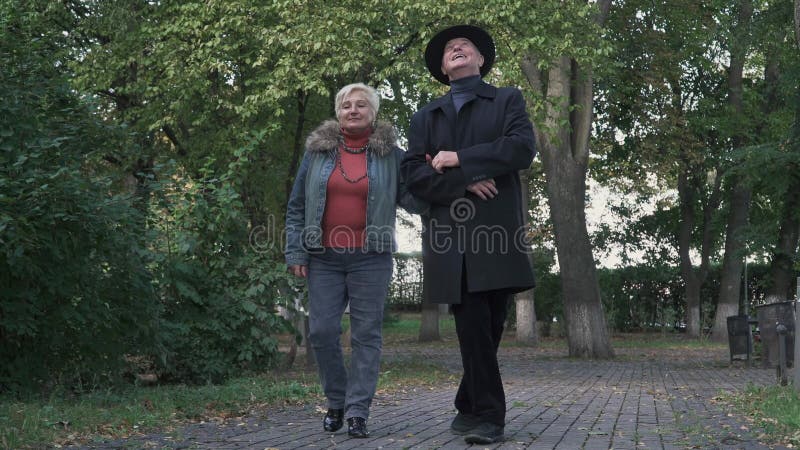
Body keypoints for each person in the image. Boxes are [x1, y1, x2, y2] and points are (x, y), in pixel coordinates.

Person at [401, 25, 537, 444]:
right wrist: (463, 183)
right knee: (473, 325)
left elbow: (521, 148)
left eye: (465, 46)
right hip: (451, 238)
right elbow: (411, 174)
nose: (455, 48)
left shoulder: (508, 99)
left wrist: (460, 159)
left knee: (489, 326)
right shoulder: (425, 115)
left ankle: (466, 402)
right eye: (448, 50)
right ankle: (490, 418)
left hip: (497, 232)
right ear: (443, 68)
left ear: (480, 60)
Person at [285, 83, 424, 438]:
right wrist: (296, 251)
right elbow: (297, 205)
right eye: (347, 105)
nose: (353, 110)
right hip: (324, 257)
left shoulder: (393, 155)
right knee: (322, 331)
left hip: (370, 257)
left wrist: (436, 176)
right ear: (338, 112)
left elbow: (413, 199)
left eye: (362, 105)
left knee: (366, 335)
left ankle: (358, 411)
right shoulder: (316, 153)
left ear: (372, 113)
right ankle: (336, 400)